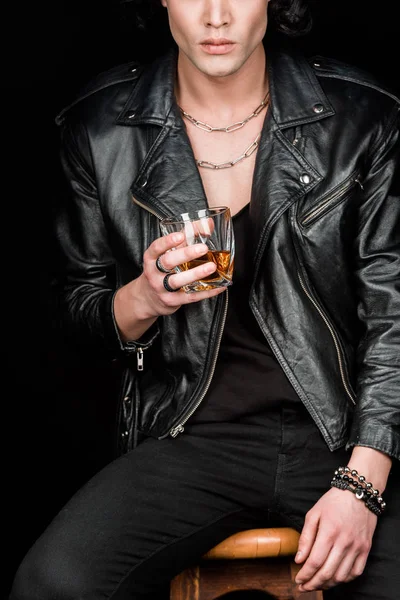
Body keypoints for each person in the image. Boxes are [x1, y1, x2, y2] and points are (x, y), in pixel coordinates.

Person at [9, 0, 400, 598]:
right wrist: (144, 297)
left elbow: (393, 315)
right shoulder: (101, 125)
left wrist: (362, 484)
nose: (216, 15)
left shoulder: (362, 115)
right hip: (192, 435)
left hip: (345, 434)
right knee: (54, 584)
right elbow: (72, 315)